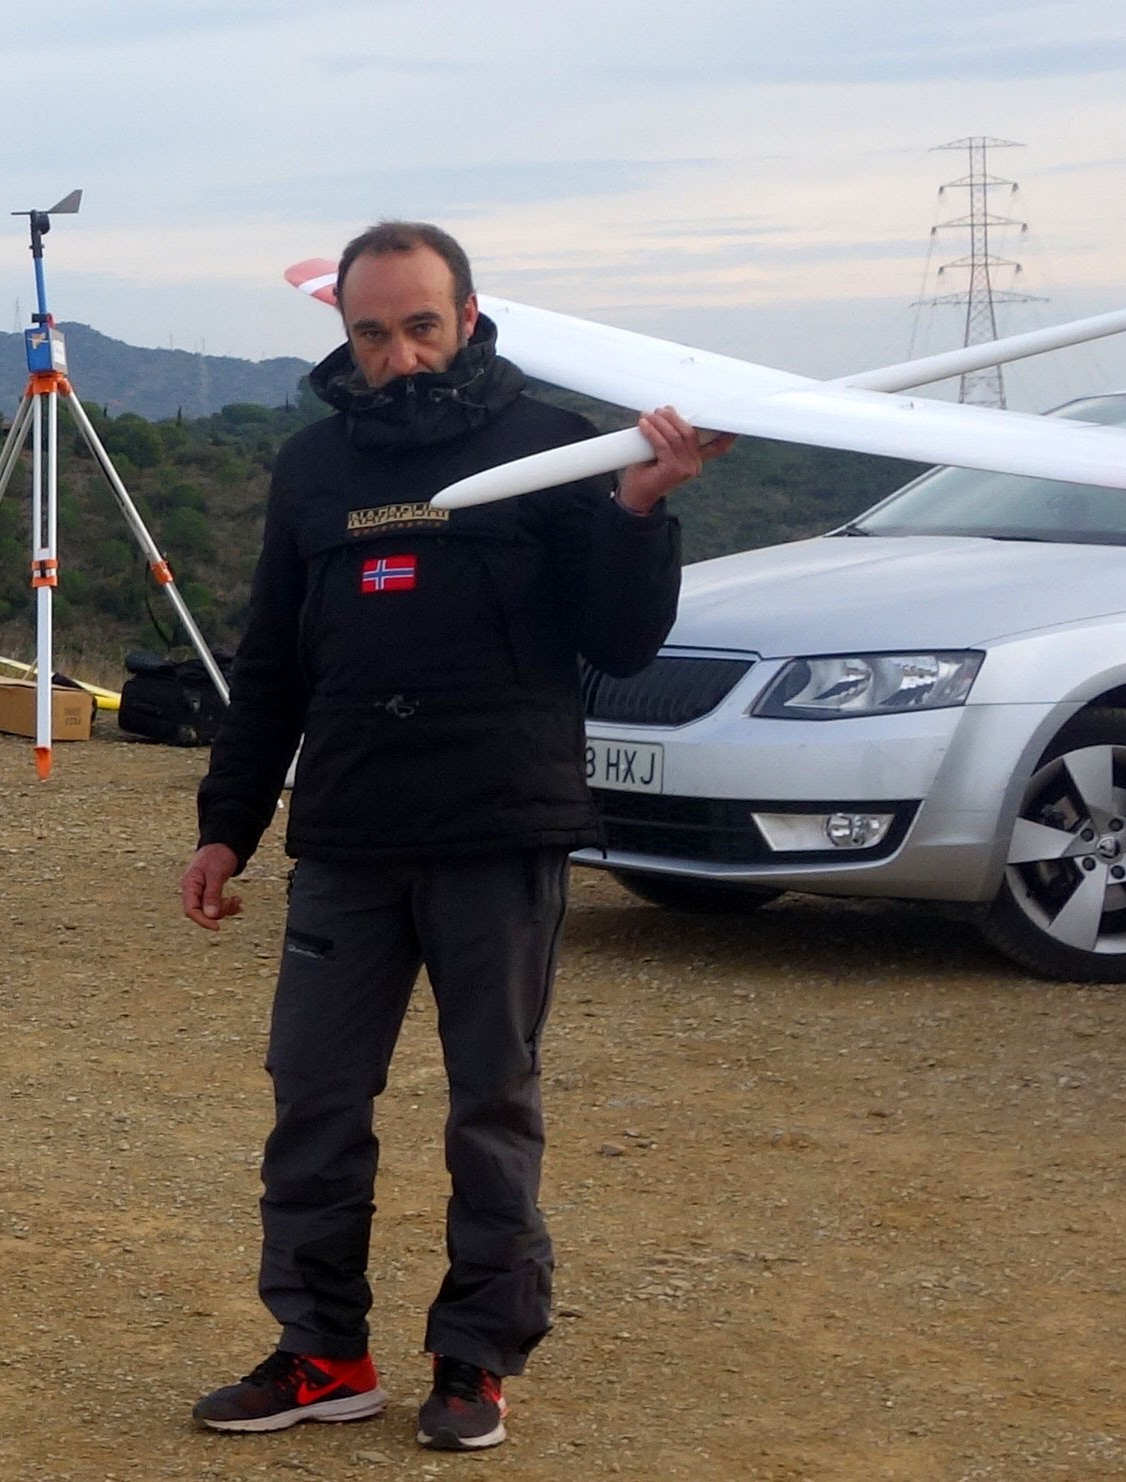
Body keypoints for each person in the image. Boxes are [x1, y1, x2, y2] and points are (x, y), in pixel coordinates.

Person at [179, 221, 726, 1451]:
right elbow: (271, 667)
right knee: (314, 1096)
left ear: (469, 318)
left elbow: (620, 639)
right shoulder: (313, 468)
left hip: (497, 828)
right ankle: (324, 1352)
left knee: (491, 1100)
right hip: (350, 833)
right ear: (345, 334)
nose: (401, 355)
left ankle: (477, 1354)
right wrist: (227, 828)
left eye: (423, 326)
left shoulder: (553, 445)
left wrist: (641, 508)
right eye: (373, 333)